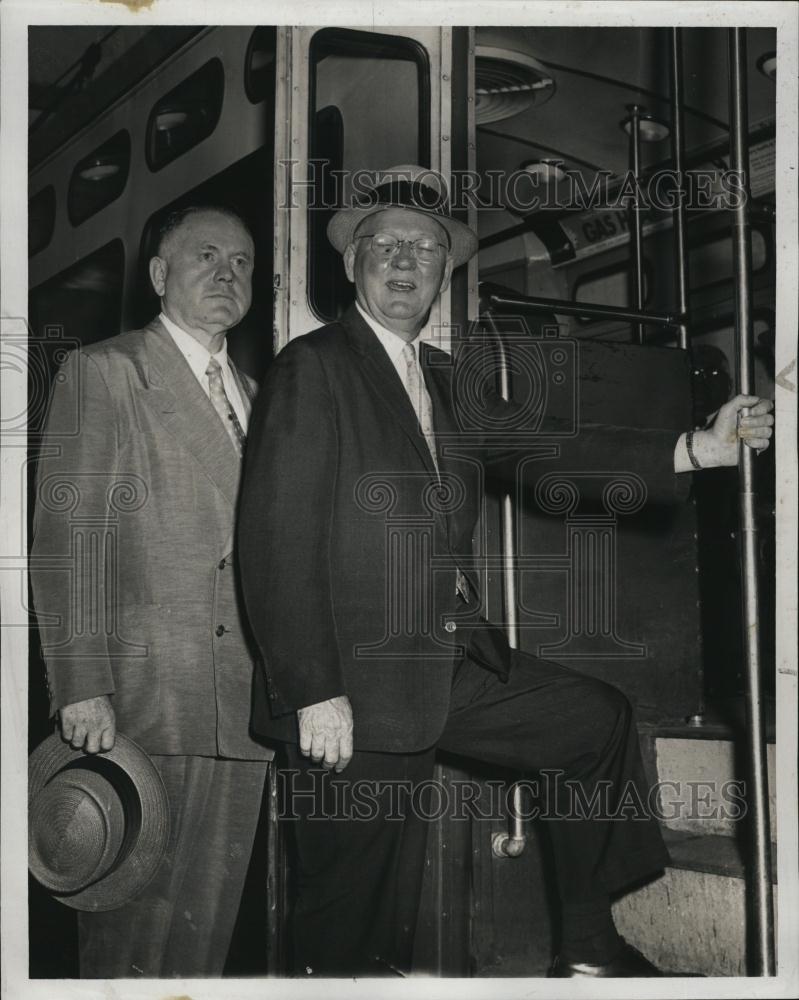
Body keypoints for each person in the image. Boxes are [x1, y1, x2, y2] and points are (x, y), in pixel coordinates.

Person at [237, 167, 774, 978]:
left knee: (593, 721)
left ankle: (588, 951)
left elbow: (544, 449)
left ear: (444, 272)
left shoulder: (445, 380)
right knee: (348, 916)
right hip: (350, 679)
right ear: (350, 265)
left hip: (446, 663)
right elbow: (274, 538)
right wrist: (313, 688)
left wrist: (695, 448)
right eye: (385, 245)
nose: (406, 261)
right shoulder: (313, 367)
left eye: (425, 249)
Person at [30, 205, 272, 978]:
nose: (226, 273)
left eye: (240, 262)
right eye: (205, 257)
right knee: (132, 933)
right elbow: (69, 542)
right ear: (160, 276)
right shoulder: (106, 372)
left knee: (205, 935)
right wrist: (81, 686)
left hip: (244, 706)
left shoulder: (261, 396)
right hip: (143, 698)